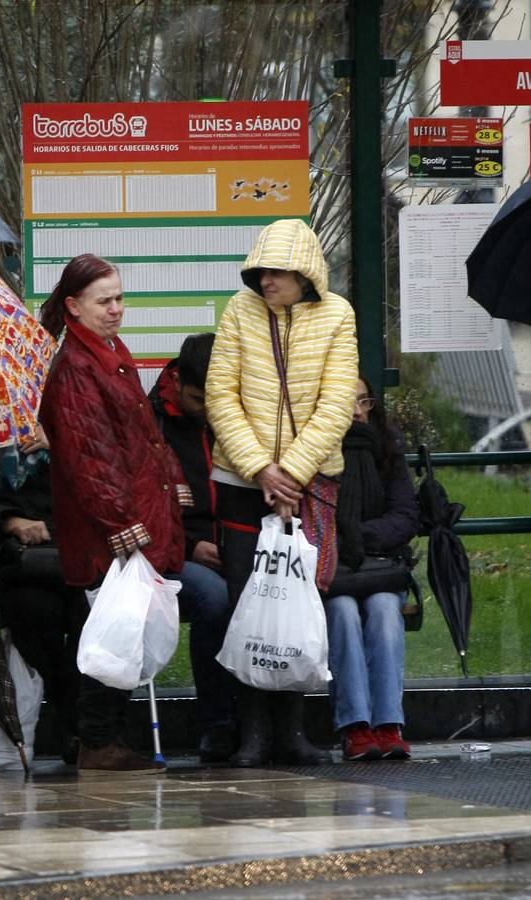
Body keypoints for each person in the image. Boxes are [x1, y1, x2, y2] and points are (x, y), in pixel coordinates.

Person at [205, 218, 359, 768]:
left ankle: (291, 732)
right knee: (248, 604)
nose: (268, 281)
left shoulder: (338, 315)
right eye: (262, 271)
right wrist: (261, 470)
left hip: (309, 483)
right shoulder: (238, 311)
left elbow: (337, 403)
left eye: (279, 272)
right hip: (245, 485)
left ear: (306, 274)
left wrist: (292, 472)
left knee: (296, 602)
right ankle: (252, 735)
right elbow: (220, 396)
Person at [38, 253, 190, 776]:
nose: (116, 309)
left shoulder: (107, 353)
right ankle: (97, 742)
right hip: (111, 530)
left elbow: (141, 434)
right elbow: (89, 457)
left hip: (135, 516)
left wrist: (171, 481)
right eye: (104, 301)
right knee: (109, 630)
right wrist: (122, 522)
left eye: (120, 298)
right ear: (75, 306)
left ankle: (101, 740)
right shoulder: (77, 369)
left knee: (121, 627)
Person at [0, 425, 88, 765]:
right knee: (38, 613)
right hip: (12, 561)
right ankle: (72, 723)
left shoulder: (67, 425)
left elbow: (100, 485)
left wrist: (61, 449)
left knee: (90, 617)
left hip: (75, 553)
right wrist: (9, 521)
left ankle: (87, 726)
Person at [148, 333, 237, 764]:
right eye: (198, 400)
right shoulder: (153, 424)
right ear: (178, 382)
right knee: (215, 598)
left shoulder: (233, 414)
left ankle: (258, 722)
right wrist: (189, 546)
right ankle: (218, 725)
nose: (207, 411)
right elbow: (146, 505)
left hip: (232, 541)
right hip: (173, 551)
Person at [323, 375, 419, 761]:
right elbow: (312, 519)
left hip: (377, 566)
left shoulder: (387, 449)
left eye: (364, 402)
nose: (357, 412)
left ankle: (388, 725)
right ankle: (355, 727)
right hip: (336, 570)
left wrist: (358, 537)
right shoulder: (317, 451)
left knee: (383, 609)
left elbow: (406, 515)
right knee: (343, 613)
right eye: (347, 402)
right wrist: (346, 545)